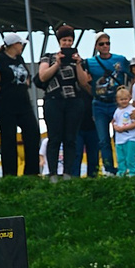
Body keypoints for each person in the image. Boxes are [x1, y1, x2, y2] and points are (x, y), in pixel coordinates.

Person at [37, 28, 91, 177]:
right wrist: (57, 64)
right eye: (64, 40)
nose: (67, 43)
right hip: (54, 100)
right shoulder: (48, 57)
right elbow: (43, 76)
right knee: (54, 137)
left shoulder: (80, 60)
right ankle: (52, 172)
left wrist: (78, 64)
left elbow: (84, 82)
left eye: (69, 40)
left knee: (70, 138)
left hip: (74, 101)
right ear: (59, 42)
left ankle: (68, 172)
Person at [0, 33, 41, 176]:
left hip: (23, 103)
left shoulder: (19, 59)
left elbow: (25, 75)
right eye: (20, 44)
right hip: (5, 104)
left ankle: (31, 172)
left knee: (32, 133)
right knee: (8, 139)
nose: (22, 47)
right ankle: (10, 174)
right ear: (13, 45)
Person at [85, 32, 131, 177]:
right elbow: (83, 80)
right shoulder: (90, 62)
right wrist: (93, 92)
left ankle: (124, 167)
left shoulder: (121, 60)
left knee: (122, 137)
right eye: (101, 44)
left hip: (117, 104)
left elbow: (132, 75)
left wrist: (127, 94)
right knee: (103, 139)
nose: (105, 46)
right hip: (99, 104)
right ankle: (109, 168)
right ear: (96, 46)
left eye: (107, 43)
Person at [110, 85, 135, 176]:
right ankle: (121, 172)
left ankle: (132, 173)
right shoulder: (117, 111)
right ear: (117, 100)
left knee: (130, 157)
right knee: (120, 158)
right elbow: (114, 121)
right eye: (121, 99)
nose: (124, 101)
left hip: (130, 138)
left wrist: (123, 129)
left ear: (129, 98)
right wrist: (115, 127)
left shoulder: (132, 110)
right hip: (119, 140)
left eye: (125, 99)